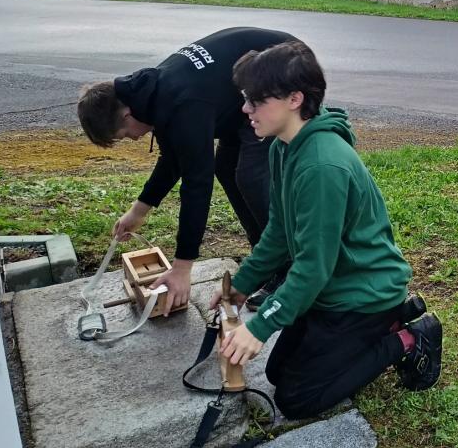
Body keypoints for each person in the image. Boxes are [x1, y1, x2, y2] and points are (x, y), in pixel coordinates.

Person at [214, 40, 442, 418]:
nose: (245, 109)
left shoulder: (322, 166)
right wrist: (242, 284)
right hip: (330, 290)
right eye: (245, 99)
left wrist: (260, 327)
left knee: (296, 399)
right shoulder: (283, 147)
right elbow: (279, 231)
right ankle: (375, 332)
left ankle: (406, 337)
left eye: (256, 101)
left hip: (362, 295)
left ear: (294, 99)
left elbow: (312, 267)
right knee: (275, 372)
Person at [78, 27, 296, 313]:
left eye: (124, 134)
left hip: (285, 72)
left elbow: (197, 183)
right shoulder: (149, 94)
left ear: (127, 114)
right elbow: (173, 159)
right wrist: (138, 211)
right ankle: (265, 258)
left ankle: (288, 269)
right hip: (236, 102)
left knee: (250, 176)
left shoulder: (182, 103)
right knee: (227, 168)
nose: (133, 138)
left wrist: (182, 267)